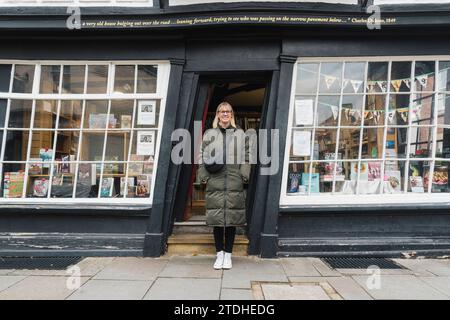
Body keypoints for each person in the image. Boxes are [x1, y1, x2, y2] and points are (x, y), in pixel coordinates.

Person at [198, 101, 250, 270]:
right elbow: (201, 155)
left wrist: (244, 175)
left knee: (232, 220)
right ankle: (219, 254)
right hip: (216, 179)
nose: (225, 114)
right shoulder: (209, 134)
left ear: (232, 114)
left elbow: (247, 155)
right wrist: (204, 176)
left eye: (228, 111)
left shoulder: (240, 134)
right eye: (222, 111)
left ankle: (228, 255)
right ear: (218, 114)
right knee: (218, 219)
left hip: (234, 179)